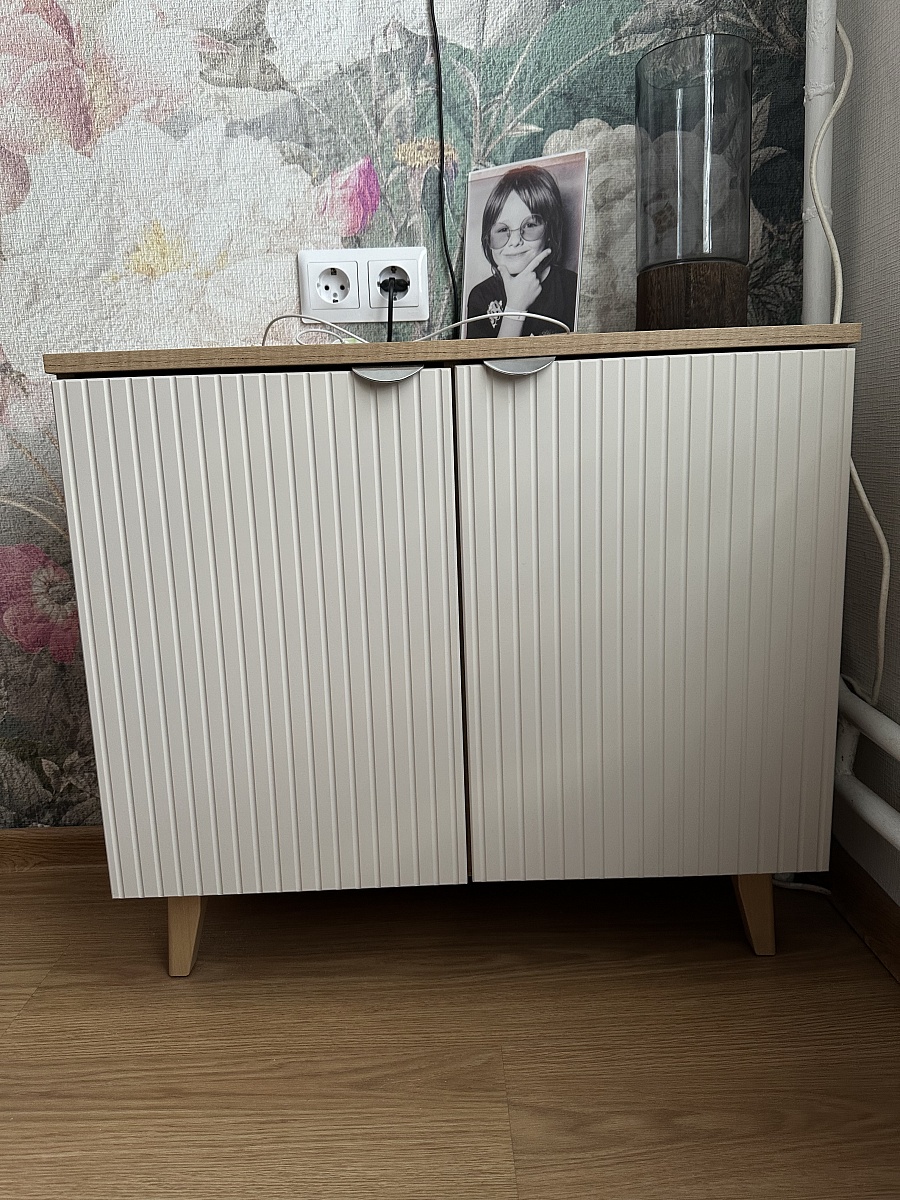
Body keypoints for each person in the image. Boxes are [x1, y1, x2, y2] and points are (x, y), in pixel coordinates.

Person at [465, 164, 578, 338]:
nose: (515, 241)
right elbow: (495, 358)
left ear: (549, 231)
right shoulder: (481, 296)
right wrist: (515, 307)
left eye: (530, 225)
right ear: (488, 237)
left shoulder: (572, 288)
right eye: (503, 230)